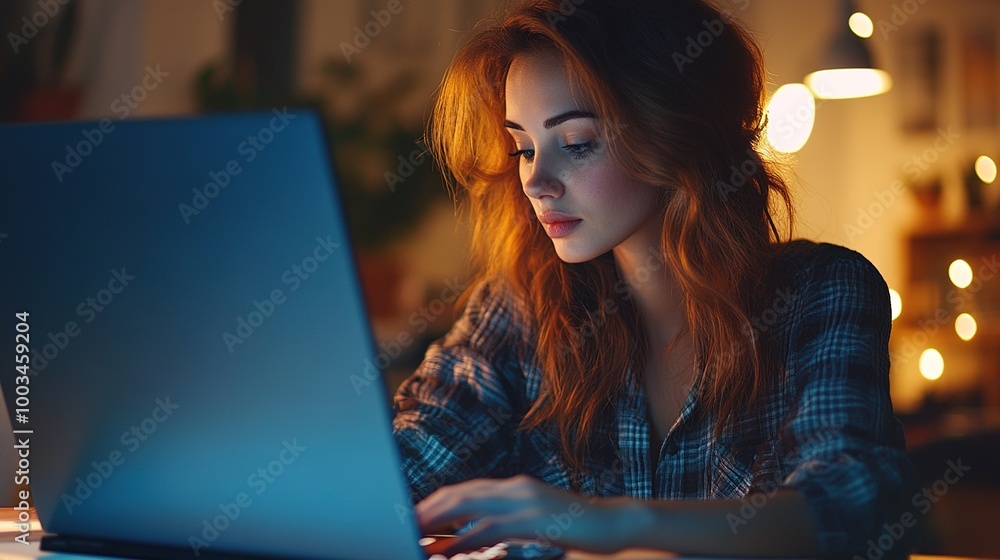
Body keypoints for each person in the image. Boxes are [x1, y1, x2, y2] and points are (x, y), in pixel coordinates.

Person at [391, 0, 915, 557]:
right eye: (523, 148)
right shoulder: (519, 310)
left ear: (675, 131)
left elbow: (853, 504)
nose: (536, 181)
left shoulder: (821, 292)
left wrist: (612, 526)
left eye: (576, 144)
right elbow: (405, 459)